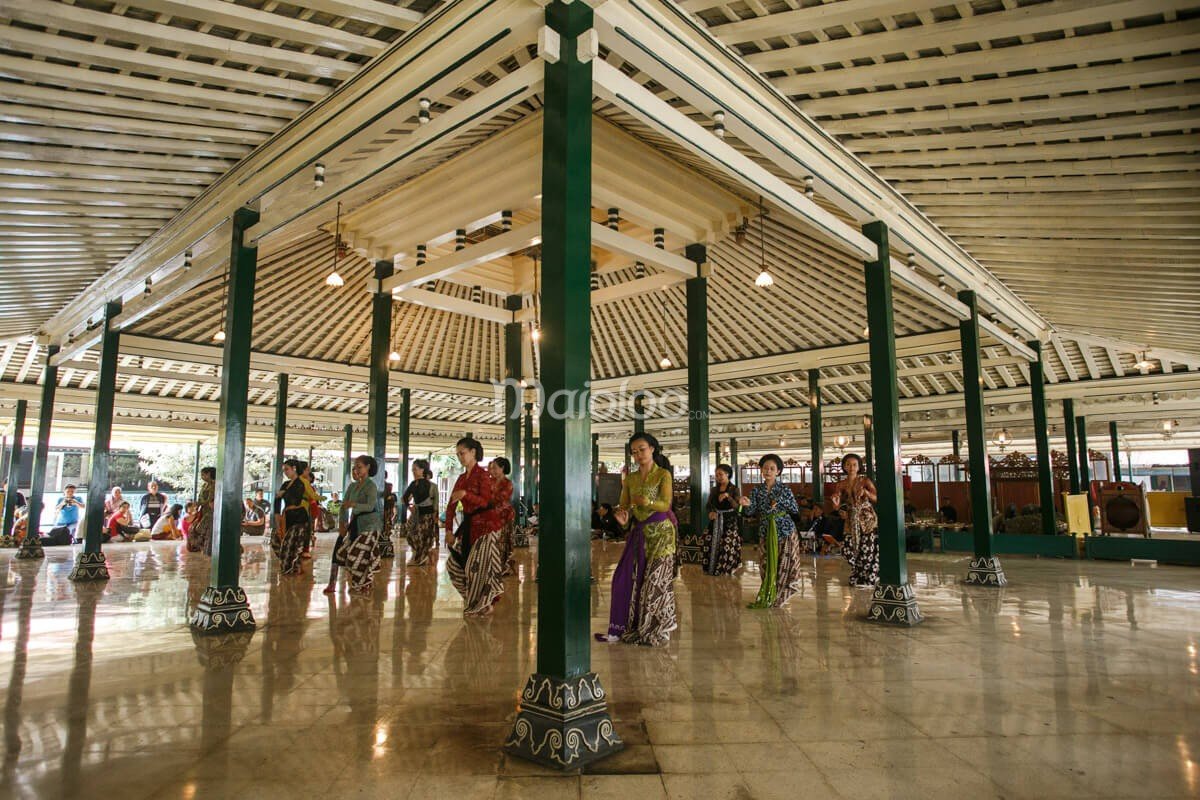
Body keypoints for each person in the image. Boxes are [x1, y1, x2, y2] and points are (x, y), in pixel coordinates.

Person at [597, 432, 678, 646]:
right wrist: (623, 517)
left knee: (655, 582)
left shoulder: (663, 475)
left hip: (662, 534)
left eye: (642, 449)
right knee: (634, 580)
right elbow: (624, 506)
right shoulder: (630, 478)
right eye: (634, 452)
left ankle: (659, 628)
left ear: (652, 449)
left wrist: (648, 501)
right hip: (640, 533)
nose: (638, 454)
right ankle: (639, 626)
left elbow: (665, 505)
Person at [445, 437, 506, 616]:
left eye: (462, 453)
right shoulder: (462, 478)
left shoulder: (483, 476)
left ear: (473, 452)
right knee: (455, 567)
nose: (460, 457)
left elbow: (485, 501)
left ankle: (481, 604)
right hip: (469, 525)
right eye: (457, 455)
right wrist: (448, 529)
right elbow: (451, 505)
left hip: (486, 526)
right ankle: (477, 601)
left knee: (475, 568)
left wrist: (466, 495)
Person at [739, 453, 802, 608]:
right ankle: (769, 592)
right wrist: (745, 504)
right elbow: (750, 511)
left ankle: (781, 596)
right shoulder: (756, 490)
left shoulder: (784, 489)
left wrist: (779, 502)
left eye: (772, 468)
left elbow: (794, 509)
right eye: (765, 468)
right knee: (765, 564)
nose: (768, 471)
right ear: (761, 470)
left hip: (785, 531)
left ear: (778, 472)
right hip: (765, 530)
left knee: (784, 564)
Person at [832, 453, 879, 587]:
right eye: (848, 464)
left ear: (859, 467)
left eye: (854, 465)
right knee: (847, 549)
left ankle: (867, 578)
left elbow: (876, 498)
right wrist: (836, 505)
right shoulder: (841, 484)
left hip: (867, 518)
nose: (851, 467)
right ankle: (860, 574)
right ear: (844, 467)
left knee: (867, 549)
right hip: (850, 519)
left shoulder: (865, 481)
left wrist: (867, 493)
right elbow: (837, 506)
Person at [273, 459, 310, 575]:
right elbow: (277, 500)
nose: (285, 472)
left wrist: (283, 494)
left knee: (291, 544)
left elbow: (295, 499)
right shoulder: (285, 484)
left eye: (287, 469)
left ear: (294, 468)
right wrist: (277, 515)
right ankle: (293, 564)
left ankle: (291, 567)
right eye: (284, 470)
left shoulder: (301, 483)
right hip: (286, 517)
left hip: (299, 517)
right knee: (276, 541)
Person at [705, 464, 741, 576]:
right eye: (716, 475)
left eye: (721, 474)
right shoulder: (714, 490)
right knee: (707, 540)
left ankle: (725, 568)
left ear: (728, 474)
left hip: (730, 520)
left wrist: (728, 497)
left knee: (727, 544)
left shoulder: (734, 489)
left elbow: (737, 507)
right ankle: (711, 568)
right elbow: (708, 505)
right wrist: (711, 512)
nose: (718, 477)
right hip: (716, 520)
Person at [401, 459, 438, 567]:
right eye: (412, 470)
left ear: (422, 470)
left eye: (415, 469)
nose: (413, 472)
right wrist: (409, 507)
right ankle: (422, 555)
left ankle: (422, 557)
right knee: (410, 534)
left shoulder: (429, 484)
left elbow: (432, 500)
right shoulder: (413, 484)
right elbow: (404, 497)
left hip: (427, 514)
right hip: (417, 514)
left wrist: (435, 515)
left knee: (423, 536)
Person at [489, 457, 517, 575]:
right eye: (491, 468)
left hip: (504, 516)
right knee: (492, 542)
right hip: (491, 516)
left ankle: (503, 566)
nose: (492, 471)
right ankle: (495, 566)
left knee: (503, 542)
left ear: (502, 468)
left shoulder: (508, 483)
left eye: (495, 468)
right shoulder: (489, 481)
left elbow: (501, 499)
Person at [188, 467, 216, 554]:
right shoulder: (204, 485)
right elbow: (200, 497)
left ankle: (207, 548)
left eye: (203, 474)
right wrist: (198, 504)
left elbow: (210, 498)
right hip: (203, 511)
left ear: (209, 474)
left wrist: (202, 503)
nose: (202, 476)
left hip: (211, 511)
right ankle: (202, 547)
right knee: (195, 528)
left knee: (202, 529)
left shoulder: (214, 484)